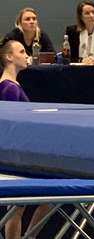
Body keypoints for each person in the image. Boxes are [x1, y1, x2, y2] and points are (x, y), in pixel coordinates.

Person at [0, 37, 50, 238]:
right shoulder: (9, 88)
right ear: (9, 57)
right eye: (21, 52)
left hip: (18, 152)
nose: (26, 55)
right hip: (16, 154)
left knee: (23, 205)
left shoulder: (12, 85)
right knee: (17, 206)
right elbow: (10, 126)